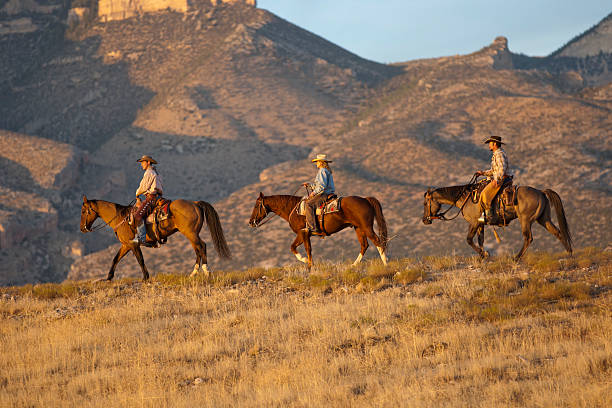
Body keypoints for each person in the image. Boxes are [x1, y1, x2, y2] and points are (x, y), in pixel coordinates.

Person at [475, 135, 512, 224]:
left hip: (502, 179)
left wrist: (497, 180)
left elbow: (502, 169)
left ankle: (489, 216)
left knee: (485, 193)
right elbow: (494, 170)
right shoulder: (497, 154)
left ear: (494, 144)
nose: (489, 145)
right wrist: (483, 173)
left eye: (490, 143)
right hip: (500, 177)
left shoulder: (499, 154)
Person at [130, 155, 164, 245]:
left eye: (142, 162)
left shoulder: (149, 172)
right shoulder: (156, 173)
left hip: (151, 198)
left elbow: (143, 187)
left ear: (148, 162)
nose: (141, 165)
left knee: (137, 216)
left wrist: (137, 193)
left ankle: (141, 238)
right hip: (158, 197)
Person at [302, 154, 335, 234]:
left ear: (321, 162)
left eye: (317, 162)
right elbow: (319, 185)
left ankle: (312, 228)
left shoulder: (322, 171)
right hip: (327, 193)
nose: (316, 163)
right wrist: (310, 185)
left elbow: (321, 187)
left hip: (324, 194)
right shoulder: (326, 171)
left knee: (308, 204)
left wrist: (313, 193)